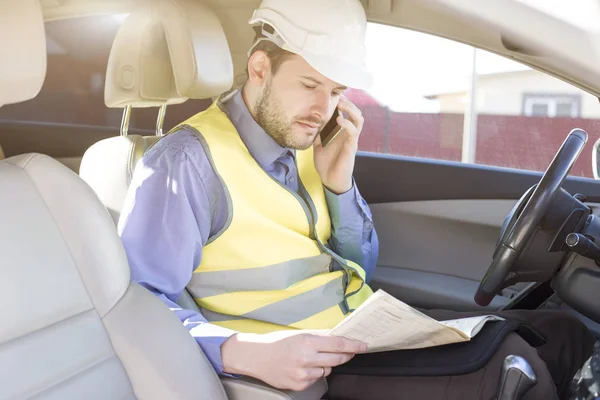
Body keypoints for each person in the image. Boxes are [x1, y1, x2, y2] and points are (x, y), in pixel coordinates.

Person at [118, 0, 595, 398]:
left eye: (336, 91)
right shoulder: (184, 162)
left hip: (363, 332)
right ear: (259, 69)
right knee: (513, 365)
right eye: (309, 86)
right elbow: (137, 300)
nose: (322, 109)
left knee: (563, 334)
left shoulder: (305, 141)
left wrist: (339, 186)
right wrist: (238, 349)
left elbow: (359, 267)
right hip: (304, 363)